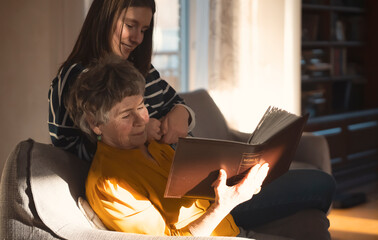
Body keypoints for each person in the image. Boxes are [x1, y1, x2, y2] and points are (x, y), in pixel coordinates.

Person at [66, 54, 336, 239]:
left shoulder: (148, 142)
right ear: (95, 124)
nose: (140, 120)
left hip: (230, 225)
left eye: (141, 107)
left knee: (319, 196)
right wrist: (225, 205)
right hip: (225, 228)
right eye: (126, 116)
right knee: (320, 189)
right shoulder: (109, 186)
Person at [48, 0, 194, 162]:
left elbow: (176, 102)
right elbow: (67, 148)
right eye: (130, 26)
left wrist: (182, 112)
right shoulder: (78, 76)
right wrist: (139, 135)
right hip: (145, 176)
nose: (138, 39)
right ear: (104, 19)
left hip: (184, 164)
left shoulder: (144, 68)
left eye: (144, 30)